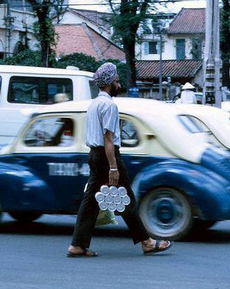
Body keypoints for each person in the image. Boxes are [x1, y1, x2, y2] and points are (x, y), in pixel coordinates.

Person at [67, 62, 172, 257]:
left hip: (95, 155)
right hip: (108, 157)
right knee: (125, 198)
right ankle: (147, 242)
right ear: (108, 84)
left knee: (91, 201)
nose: (119, 85)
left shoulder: (94, 104)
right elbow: (108, 138)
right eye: (116, 81)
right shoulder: (109, 106)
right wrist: (113, 167)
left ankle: (77, 245)